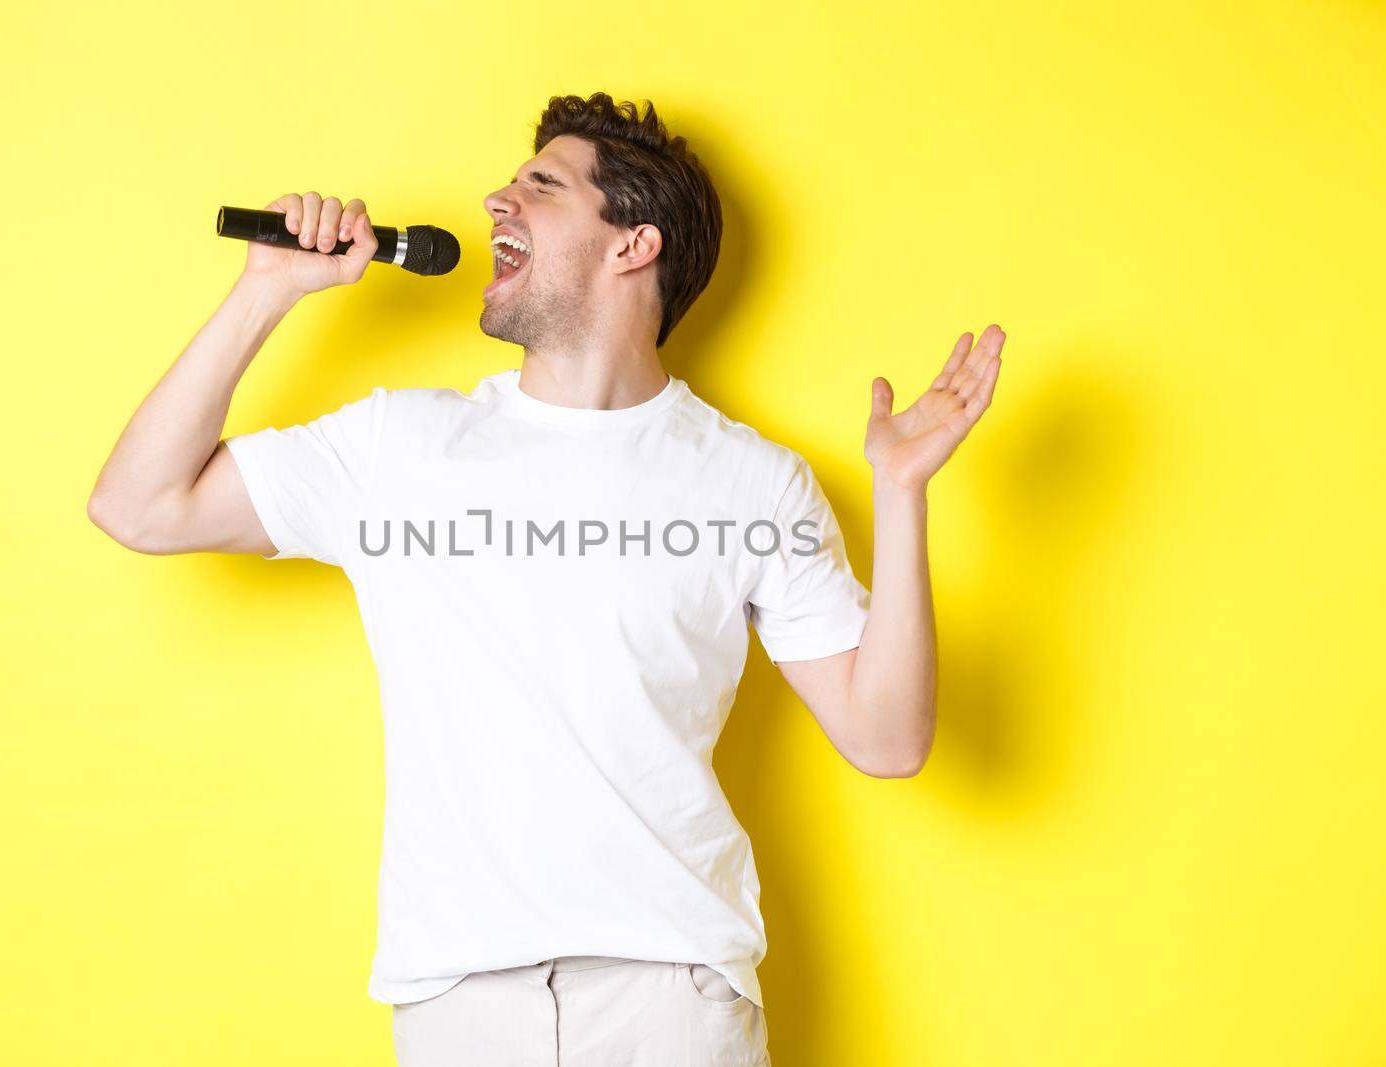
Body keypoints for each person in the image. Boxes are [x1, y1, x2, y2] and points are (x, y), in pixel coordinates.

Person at [87, 91, 1004, 1066]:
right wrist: (265, 288)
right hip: (458, 996)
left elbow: (887, 737)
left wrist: (900, 494)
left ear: (630, 245)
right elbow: (138, 505)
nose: (495, 199)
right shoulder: (398, 444)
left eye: (540, 185)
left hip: (671, 990)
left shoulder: (751, 479)